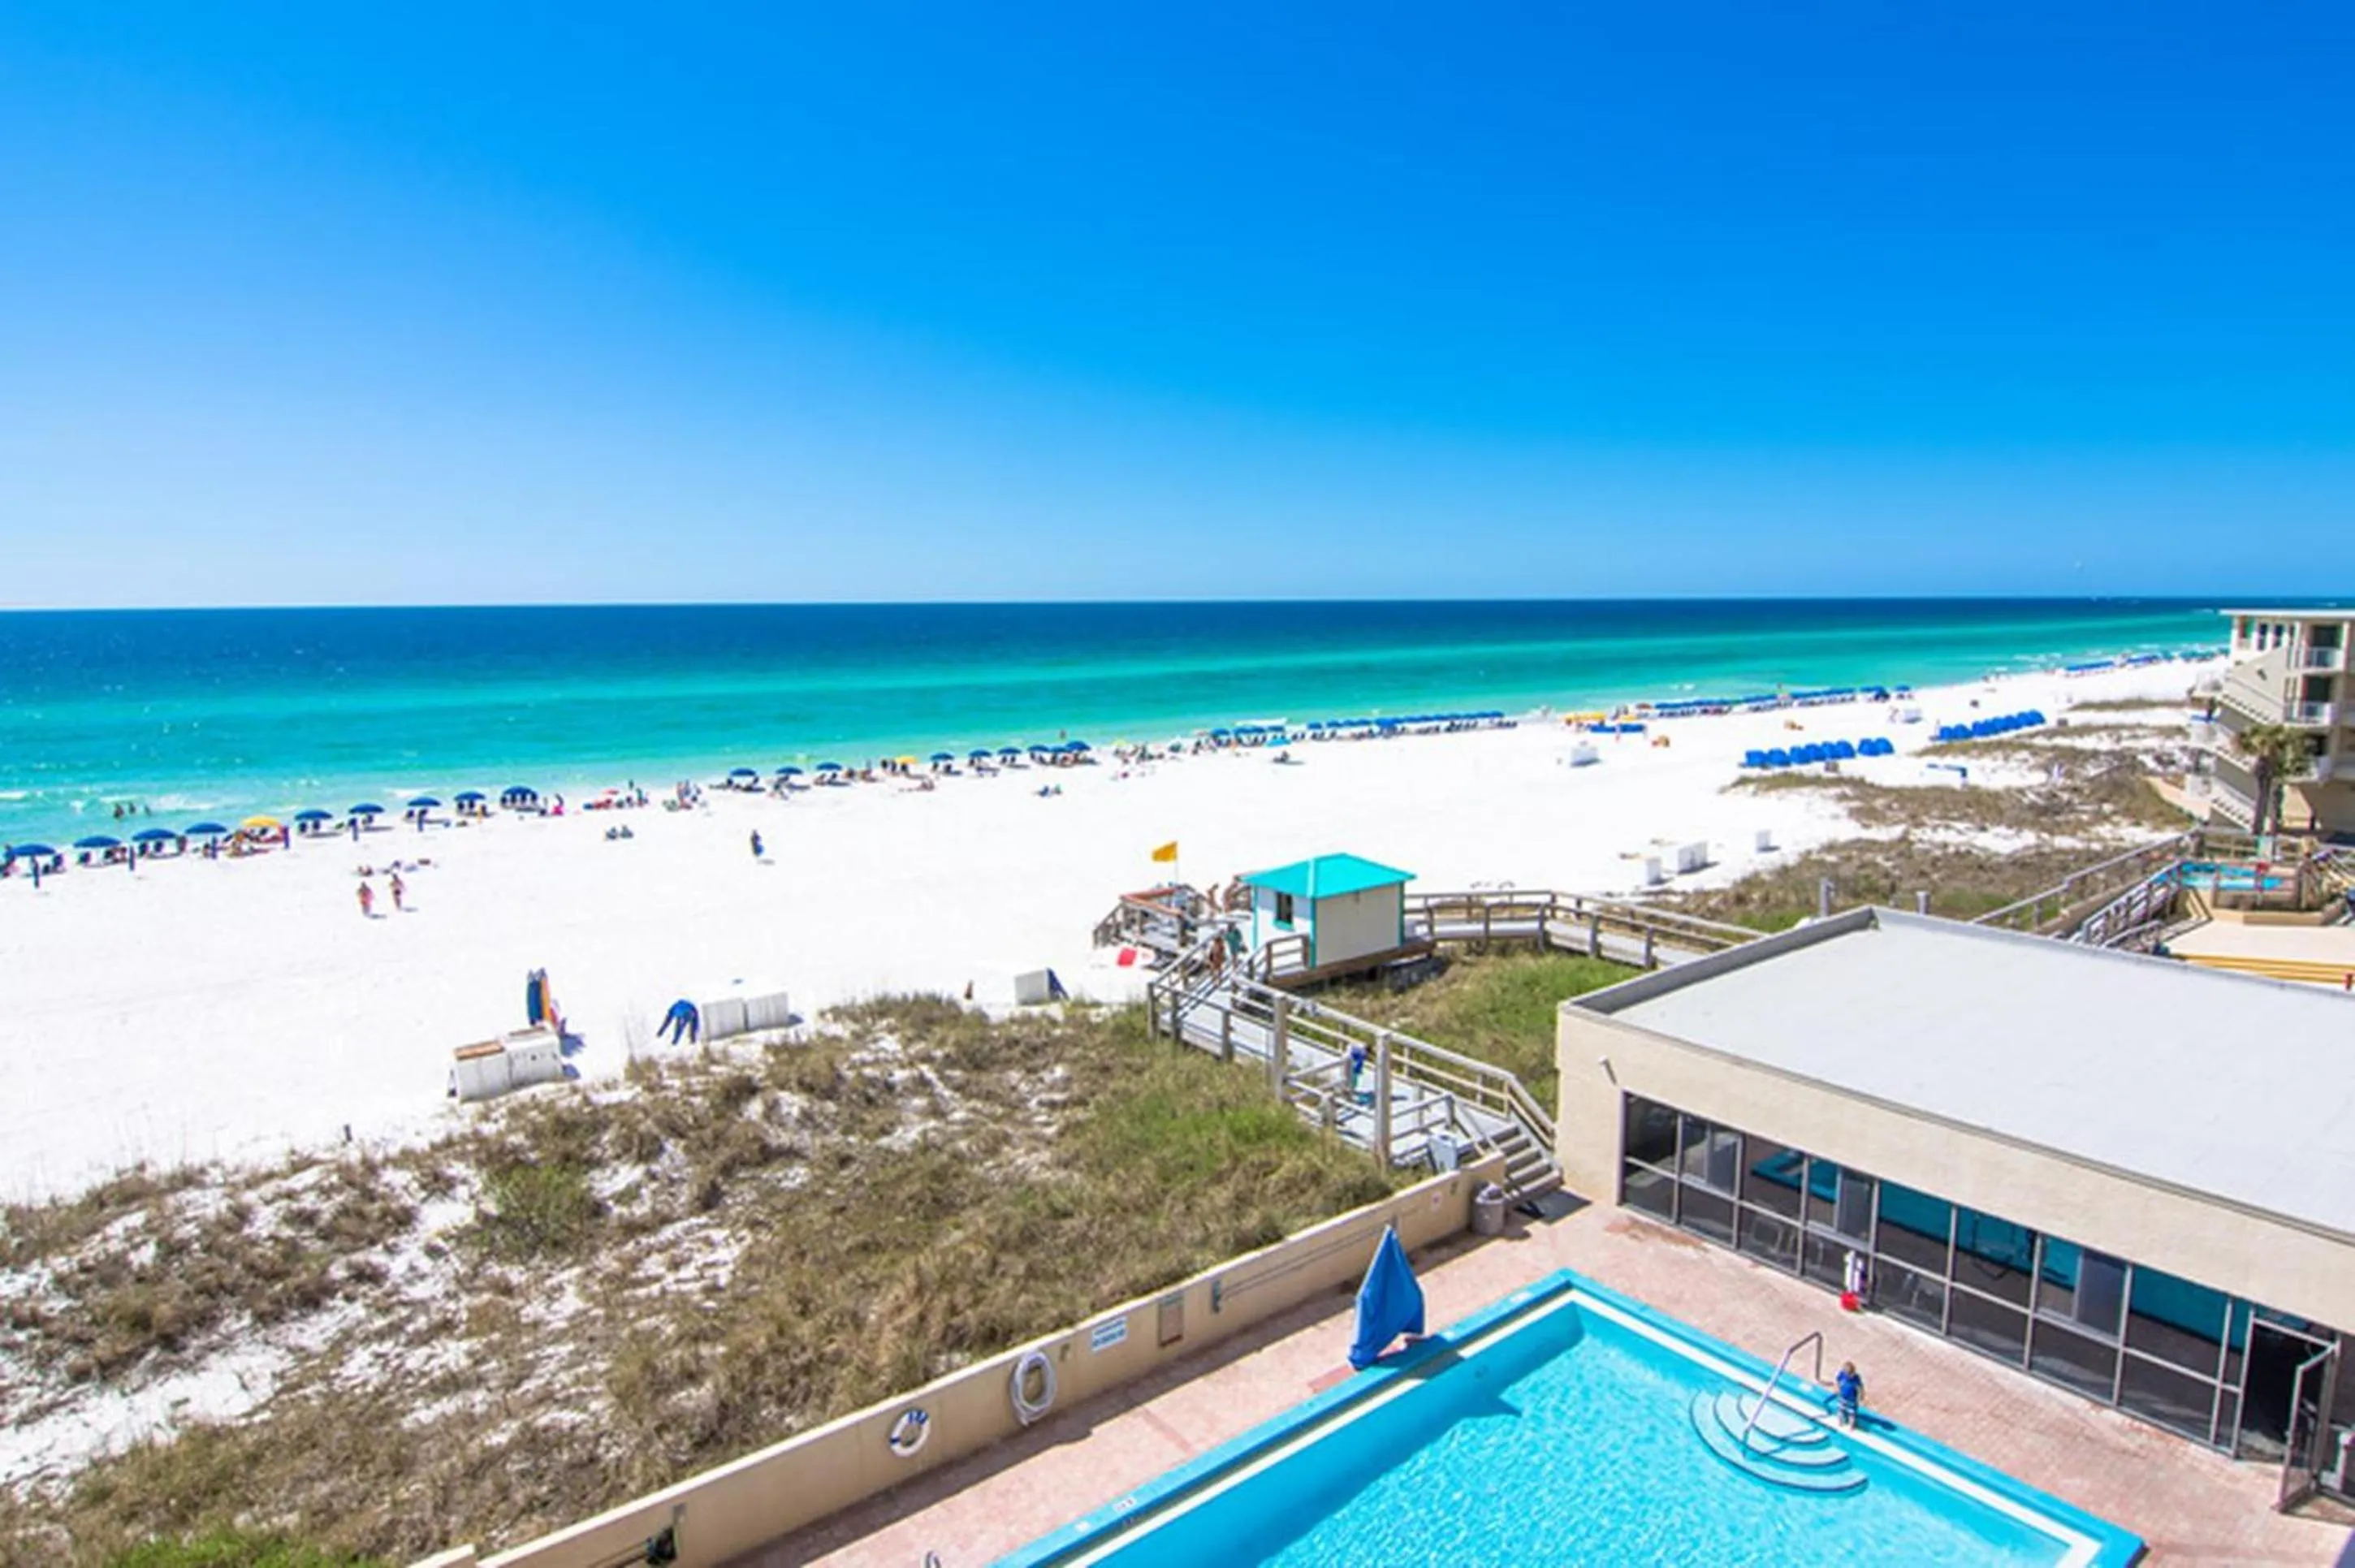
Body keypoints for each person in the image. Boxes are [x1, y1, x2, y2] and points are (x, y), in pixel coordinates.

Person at [1835, 1361, 1865, 1429]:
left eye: (1852, 1374)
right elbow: (1837, 1381)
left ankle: (1851, 1427)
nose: (1851, 1376)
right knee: (1840, 1410)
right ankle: (1840, 1423)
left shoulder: (1856, 1378)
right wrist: (1838, 1388)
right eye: (1849, 1374)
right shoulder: (1842, 1374)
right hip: (1843, 1397)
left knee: (1852, 1414)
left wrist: (1861, 1395)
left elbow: (1860, 1386)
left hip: (1852, 1398)